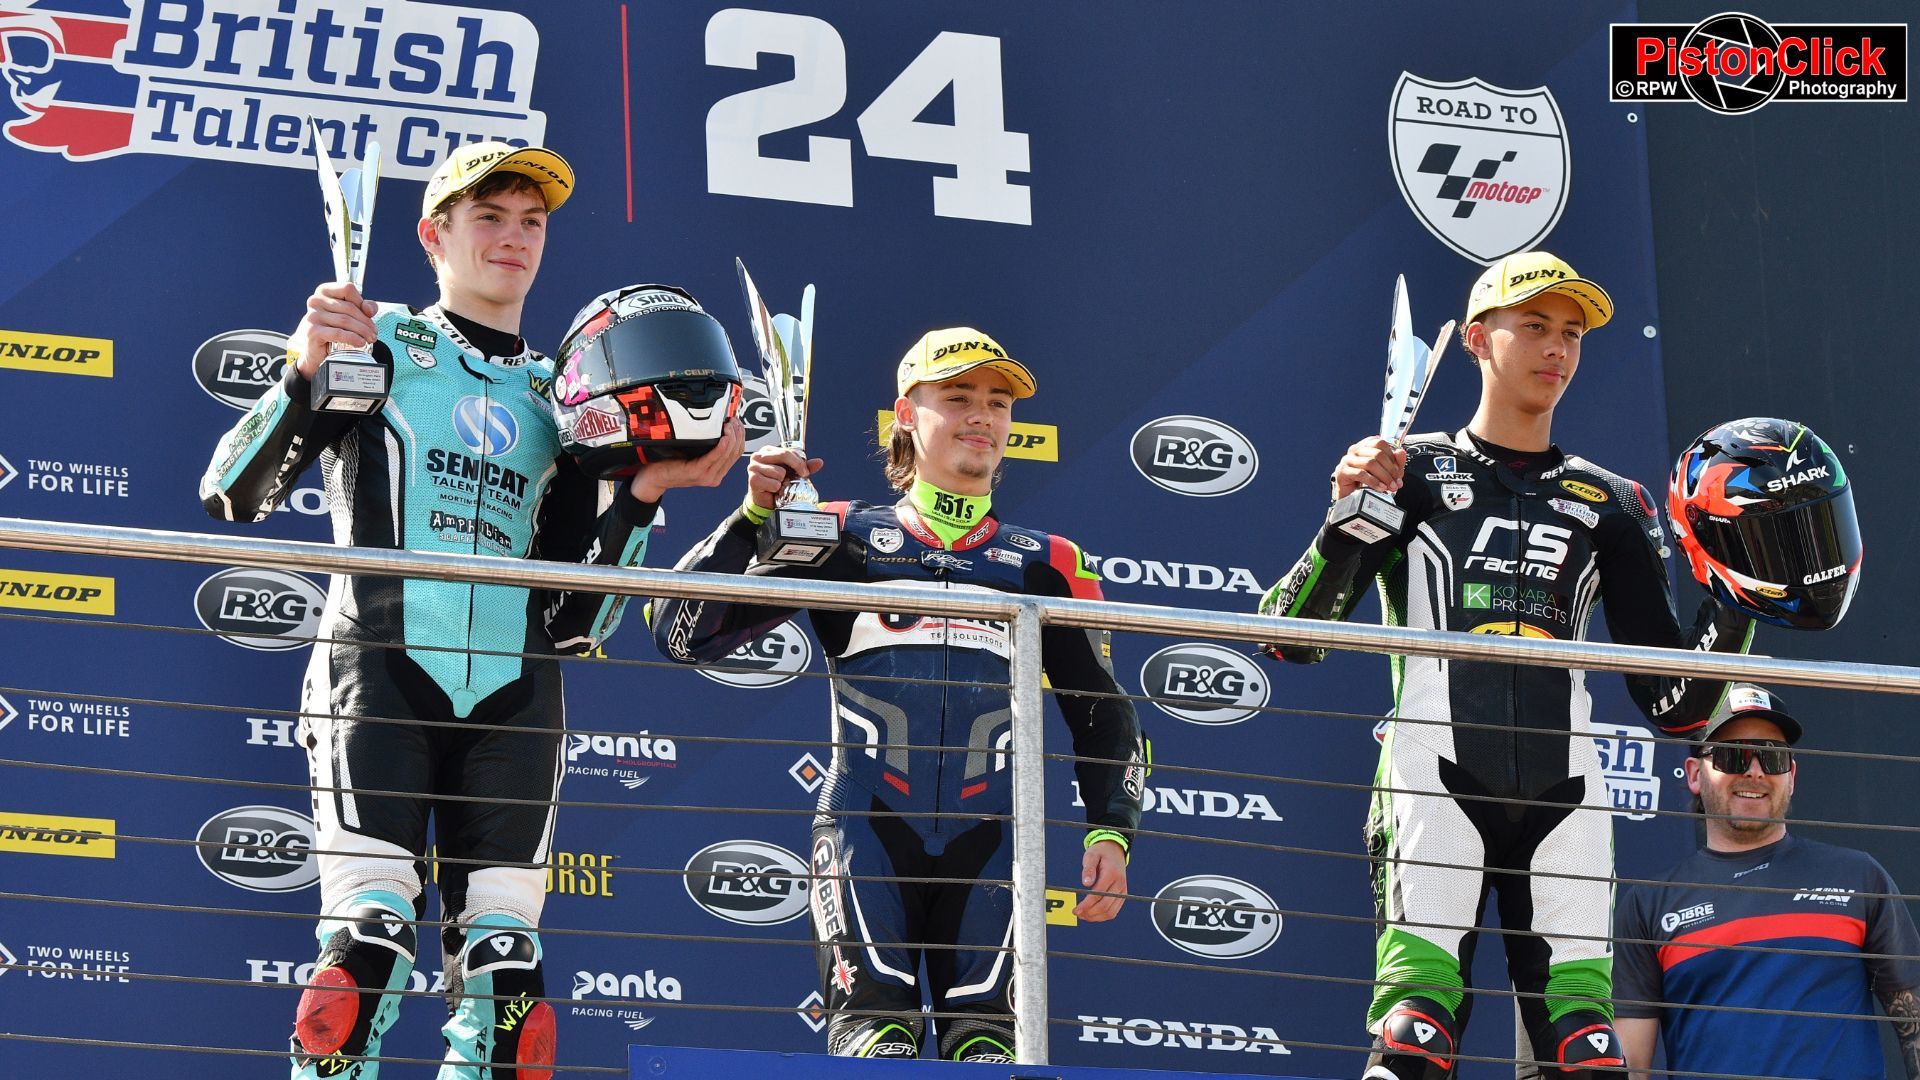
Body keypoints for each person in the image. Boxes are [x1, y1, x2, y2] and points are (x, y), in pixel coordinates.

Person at [200, 142, 743, 1080]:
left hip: (516, 698)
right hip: (377, 674)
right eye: (489, 217)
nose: (514, 238)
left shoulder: (565, 395)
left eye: (531, 222)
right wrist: (303, 369)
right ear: (433, 235)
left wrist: (644, 494)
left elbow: (577, 622)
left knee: (508, 984)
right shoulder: (379, 339)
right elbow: (231, 492)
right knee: (364, 955)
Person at [1256, 251, 1753, 1079]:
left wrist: (1738, 601)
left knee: (1587, 1051)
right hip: (1432, 772)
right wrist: (1348, 518)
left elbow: (1676, 704)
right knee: (1415, 1032)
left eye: (1572, 333)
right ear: (1477, 340)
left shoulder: (1616, 502)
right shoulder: (1407, 468)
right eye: (1534, 326)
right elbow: (1289, 638)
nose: (1557, 348)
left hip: (1570, 788)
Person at [651, 327, 1147, 1062]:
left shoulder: (1050, 565)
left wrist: (1111, 830)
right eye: (958, 397)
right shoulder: (840, 535)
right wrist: (754, 519)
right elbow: (681, 632)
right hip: (866, 831)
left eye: (998, 402)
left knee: (989, 1050)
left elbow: (1103, 712)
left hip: (995, 843)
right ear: (907, 416)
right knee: (874, 1042)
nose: (982, 416)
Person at [1615, 684, 1920, 1080]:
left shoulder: (1858, 876)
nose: (1754, 771)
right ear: (1694, 774)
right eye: (1732, 755)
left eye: (1772, 757)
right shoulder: (1649, 904)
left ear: (1790, 775)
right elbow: (1631, 1063)